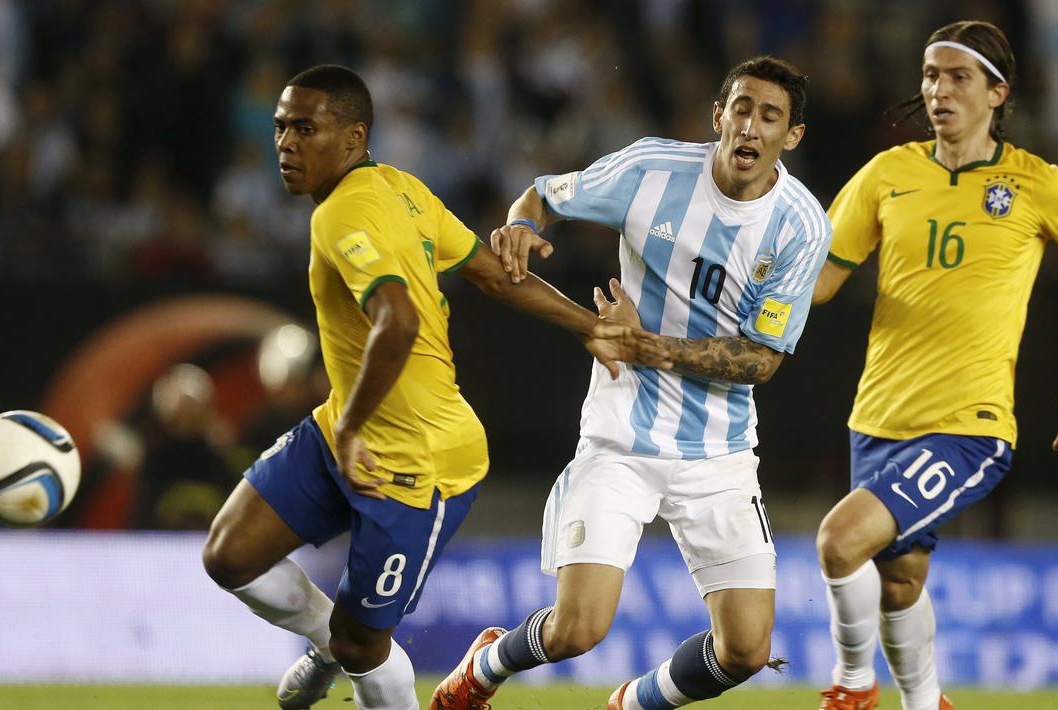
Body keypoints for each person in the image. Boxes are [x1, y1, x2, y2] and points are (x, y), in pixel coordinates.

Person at [200, 65, 666, 710]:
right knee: (228, 556)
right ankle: (330, 641)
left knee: (365, 646)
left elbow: (398, 321)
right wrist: (591, 326)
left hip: (420, 463)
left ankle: (346, 645)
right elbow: (495, 274)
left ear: (354, 136)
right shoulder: (404, 190)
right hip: (345, 426)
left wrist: (353, 428)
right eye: (281, 128)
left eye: (305, 129)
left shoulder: (345, 213)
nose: (286, 143)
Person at [431, 56, 832, 710]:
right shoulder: (651, 169)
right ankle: (485, 666)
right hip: (621, 435)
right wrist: (523, 227)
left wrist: (645, 344)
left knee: (745, 652)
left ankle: (635, 703)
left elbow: (761, 361)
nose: (750, 126)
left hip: (719, 453)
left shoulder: (801, 226)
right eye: (741, 109)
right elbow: (542, 195)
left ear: (792, 136)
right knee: (576, 630)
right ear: (718, 117)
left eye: (769, 116)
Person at [809, 21, 1058, 710]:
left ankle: (852, 686)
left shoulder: (1037, 184)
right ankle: (926, 703)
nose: (938, 90)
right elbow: (820, 281)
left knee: (839, 541)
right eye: (930, 75)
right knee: (898, 581)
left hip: (968, 424)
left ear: (997, 92)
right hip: (878, 415)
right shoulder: (887, 174)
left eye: (957, 77)